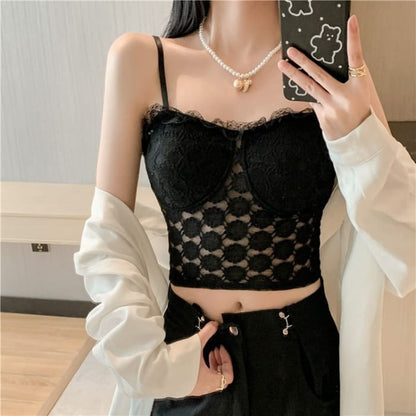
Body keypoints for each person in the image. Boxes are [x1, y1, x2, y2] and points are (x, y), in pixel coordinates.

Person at [73, 1, 415, 415]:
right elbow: (109, 235)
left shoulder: (329, 67)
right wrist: (153, 365)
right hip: (187, 357)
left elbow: (406, 239)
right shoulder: (140, 60)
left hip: (302, 365)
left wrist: (359, 138)